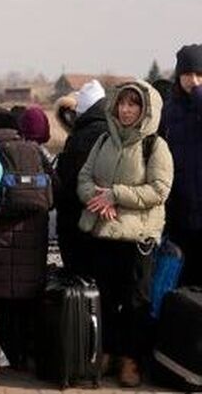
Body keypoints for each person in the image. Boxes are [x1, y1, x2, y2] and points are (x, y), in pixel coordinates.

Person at [77, 80, 173, 387]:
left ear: (145, 109)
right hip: (103, 231)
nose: (126, 109)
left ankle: (131, 360)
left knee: (135, 302)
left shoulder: (155, 145)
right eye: (122, 103)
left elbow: (159, 190)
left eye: (133, 104)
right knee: (105, 298)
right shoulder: (105, 139)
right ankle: (107, 352)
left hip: (137, 238)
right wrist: (97, 198)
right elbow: (84, 178)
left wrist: (115, 195)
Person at [0, 106, 51, 370]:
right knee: (23, 305)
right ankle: (22, 357)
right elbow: (54, 195)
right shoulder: (36, 152)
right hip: (30, 244)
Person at [55, 79, 108, 275]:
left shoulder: (80, 137)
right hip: (108, 218)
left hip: (80, 220)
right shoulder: (114, 131)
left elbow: (69, 184)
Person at [159, 43, 202, 286]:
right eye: (187, 74)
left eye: (199, 75)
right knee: (181, 278)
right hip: (179, 208)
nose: (193, 81)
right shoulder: (170, 109)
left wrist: (198, 95)